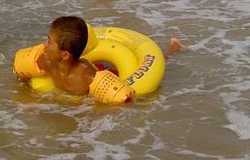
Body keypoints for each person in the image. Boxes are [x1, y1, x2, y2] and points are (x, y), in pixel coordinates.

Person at [13, 16, 185, 102]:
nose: (44, 45)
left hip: (105, 73)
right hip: (83, 68)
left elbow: (124, 101)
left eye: (49, 41)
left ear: (65, 54)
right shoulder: (45, 62)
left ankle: (171, 50)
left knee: (147, 62)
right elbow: (21, 75)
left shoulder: (86, 77)